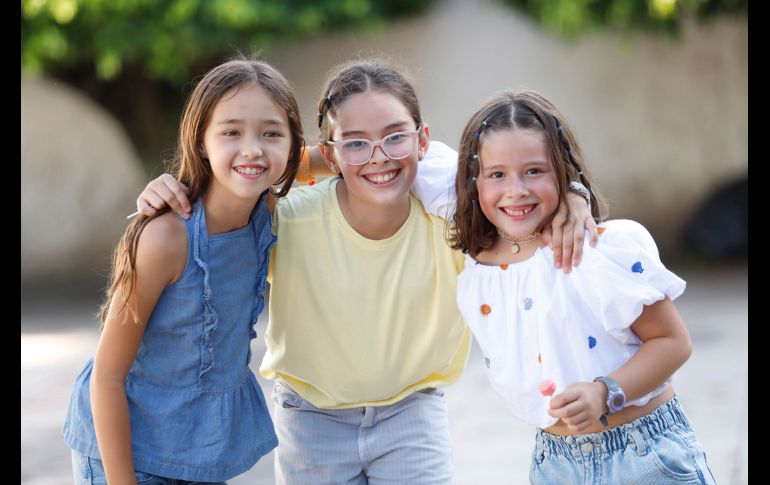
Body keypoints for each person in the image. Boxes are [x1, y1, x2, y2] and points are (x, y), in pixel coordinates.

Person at [134, 59, 595, 484]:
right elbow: (243, 176)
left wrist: (574, 192)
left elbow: (518, 192)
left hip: (411, 414)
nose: (378, 156)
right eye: (355, 143)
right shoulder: (287, 217)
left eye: (395, 137)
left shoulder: (453, 217)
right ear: (329, 154)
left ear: (422, 139)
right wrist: (176, 188)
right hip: (311, 416)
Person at [441, 90, 716, 484]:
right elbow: (401, 162)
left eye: (535, 171)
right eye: (497, 174)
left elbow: (674, 342)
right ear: (473, 181)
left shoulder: (597, 251)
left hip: (644, 455)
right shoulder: (478, 267)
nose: (516, 189)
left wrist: (606, 392)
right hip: (555, 464)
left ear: (562, 172)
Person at [62, 57, 304, 484]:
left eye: (271, 133)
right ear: (200, 143)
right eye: (231, 132)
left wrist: (382, 153)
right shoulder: (166, 239)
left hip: (200, 449)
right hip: (124, 454)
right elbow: (107, 376)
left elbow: (336, 158)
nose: (252, 148)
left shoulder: (262, 209)